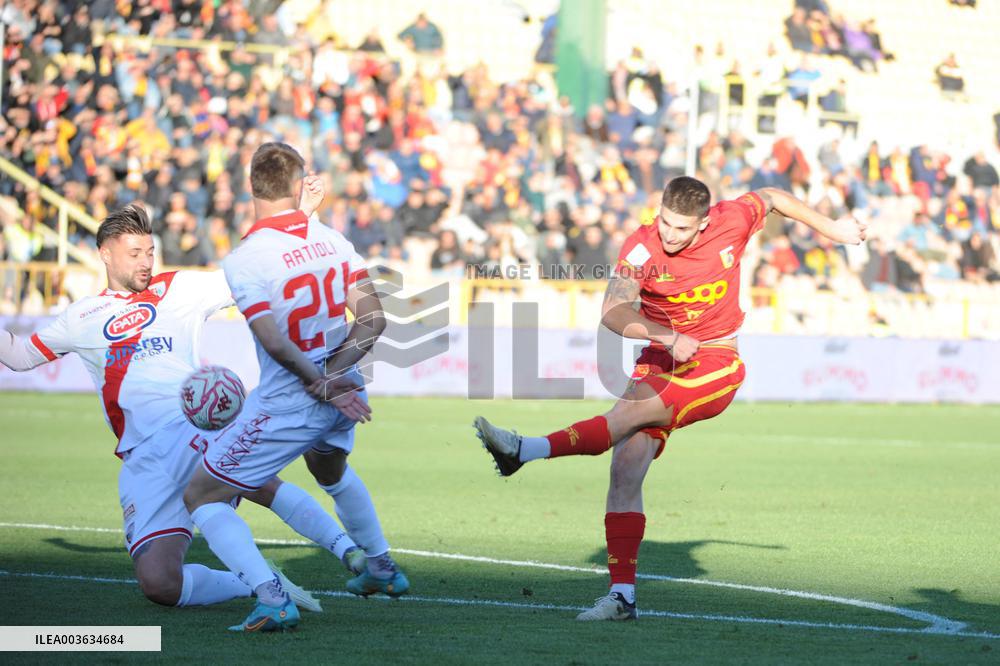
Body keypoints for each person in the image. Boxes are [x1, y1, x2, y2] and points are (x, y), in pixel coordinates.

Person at [474, 177, 866, 621]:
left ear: (703, 224)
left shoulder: (732, 220)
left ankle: (525, 449)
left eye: (681, 228)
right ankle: (622, 598)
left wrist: (832, 228)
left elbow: (774, 197)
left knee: (628, 415)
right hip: (660, 355)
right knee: (624, 469)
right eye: (665, 222)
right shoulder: (642, 248)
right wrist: (666, 335)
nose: (669, 234)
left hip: (715, 359)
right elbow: (613, 310)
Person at [0, 203, 369, 611]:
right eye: (135, 253)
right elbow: (18, 357)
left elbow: (253, 271)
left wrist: (299, 221)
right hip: (142, 457)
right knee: (161, 585)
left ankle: (352, 553)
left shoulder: (181, 287)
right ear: (105, 253)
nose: (146, 262)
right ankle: (255, 580)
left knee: (259, 483)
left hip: (194, 423)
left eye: (150, 252)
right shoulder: (80, 316)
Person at [183, 142, 408, 633]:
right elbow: (374, 319)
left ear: (251, 186)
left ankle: (271, 598)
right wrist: (335, 374)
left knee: (202, 495)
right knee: (329, 470)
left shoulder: (245, 260)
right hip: (343, 389)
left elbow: (272, 339)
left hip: (293, 400)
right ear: (297, 184)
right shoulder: (333, 239)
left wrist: (318, 383)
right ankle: (380, 567)